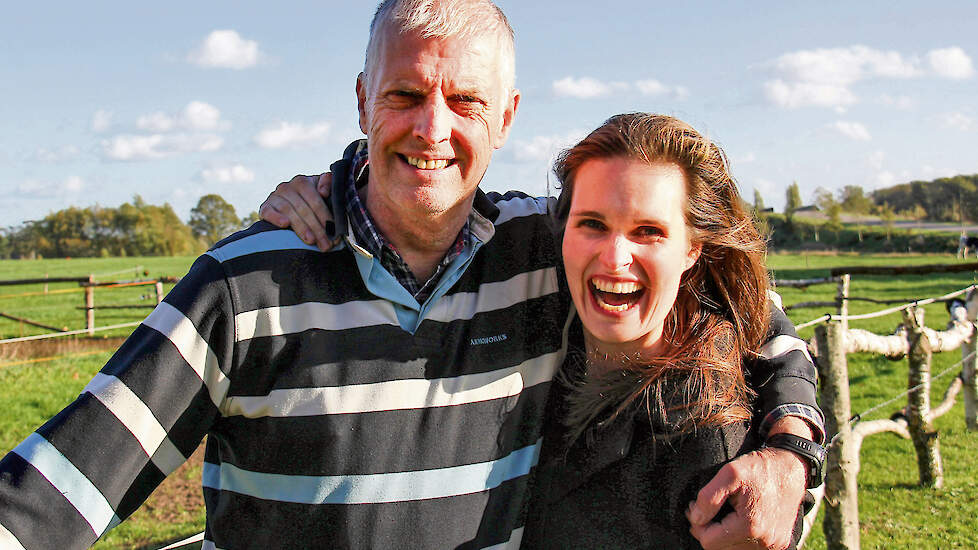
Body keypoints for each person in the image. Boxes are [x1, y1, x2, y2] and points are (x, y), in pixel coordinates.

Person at [0, 1, 820, 549]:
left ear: (506, 118)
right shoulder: (244, 287)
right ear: (362, 102)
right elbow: (53, 493)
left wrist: (791, 451)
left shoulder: (551, 246)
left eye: (465, 101)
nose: (433, 129)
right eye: (405, 93)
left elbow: (743, 309)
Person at [517, 112, 805, 549]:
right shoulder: (537, 333)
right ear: (562, 229)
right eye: (592, 224)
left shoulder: (707, 440)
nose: (615, 257)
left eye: (648, 231)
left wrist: (795, 447)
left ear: (692, 248)